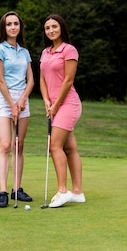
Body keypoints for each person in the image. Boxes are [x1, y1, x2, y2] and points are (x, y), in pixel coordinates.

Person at [39, 14, 85, 208]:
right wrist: (46, 101)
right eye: (47, 27)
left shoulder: (69, 50)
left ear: (61, 28)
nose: (51, 30)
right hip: (54, 104)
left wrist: (56, 104)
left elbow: (68, 80)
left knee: (54, 146)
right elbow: (42, 79)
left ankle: (62, 191)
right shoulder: (45, 52)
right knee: (70, 148)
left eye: (54, 27)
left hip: (68, 104)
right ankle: (78, 192)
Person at [0, 11, 35, 208]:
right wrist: (11, 104)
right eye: (9, 24)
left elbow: (31, 80)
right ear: (4, 28)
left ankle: (17, 189)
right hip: (4, 98)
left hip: (22, 97)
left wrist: (22, 100)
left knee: (19, 145)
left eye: (16, 23)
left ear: (20, 27)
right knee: (6, 145)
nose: (13, 27)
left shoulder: (24, 52)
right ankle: (3, 192)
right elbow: (0, 81)